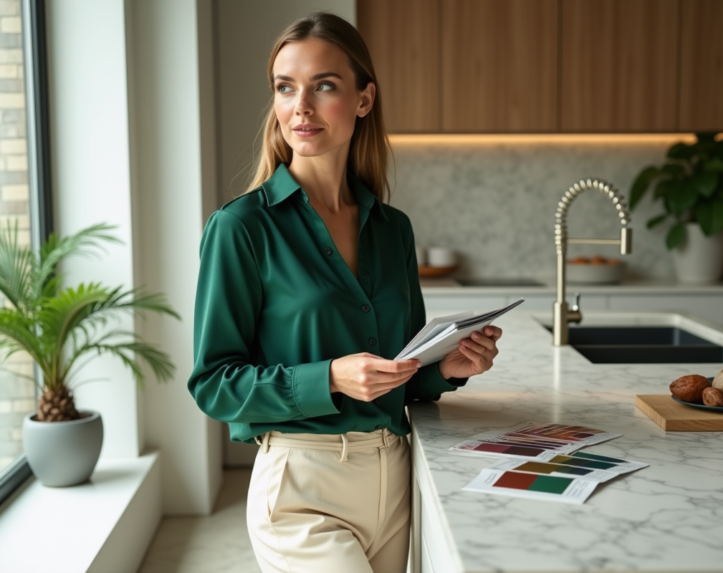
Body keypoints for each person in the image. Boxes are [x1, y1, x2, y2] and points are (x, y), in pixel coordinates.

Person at [188, 12, 503, 573]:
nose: (300, 107)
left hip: (393, 477)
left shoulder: (393, 229)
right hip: (300, 490)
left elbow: (401, 373)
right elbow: (214, 384)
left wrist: (448, 367)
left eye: (324, 86)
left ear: (364, 99)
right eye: (286, 88)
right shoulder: (242, 229)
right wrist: (329, 376)